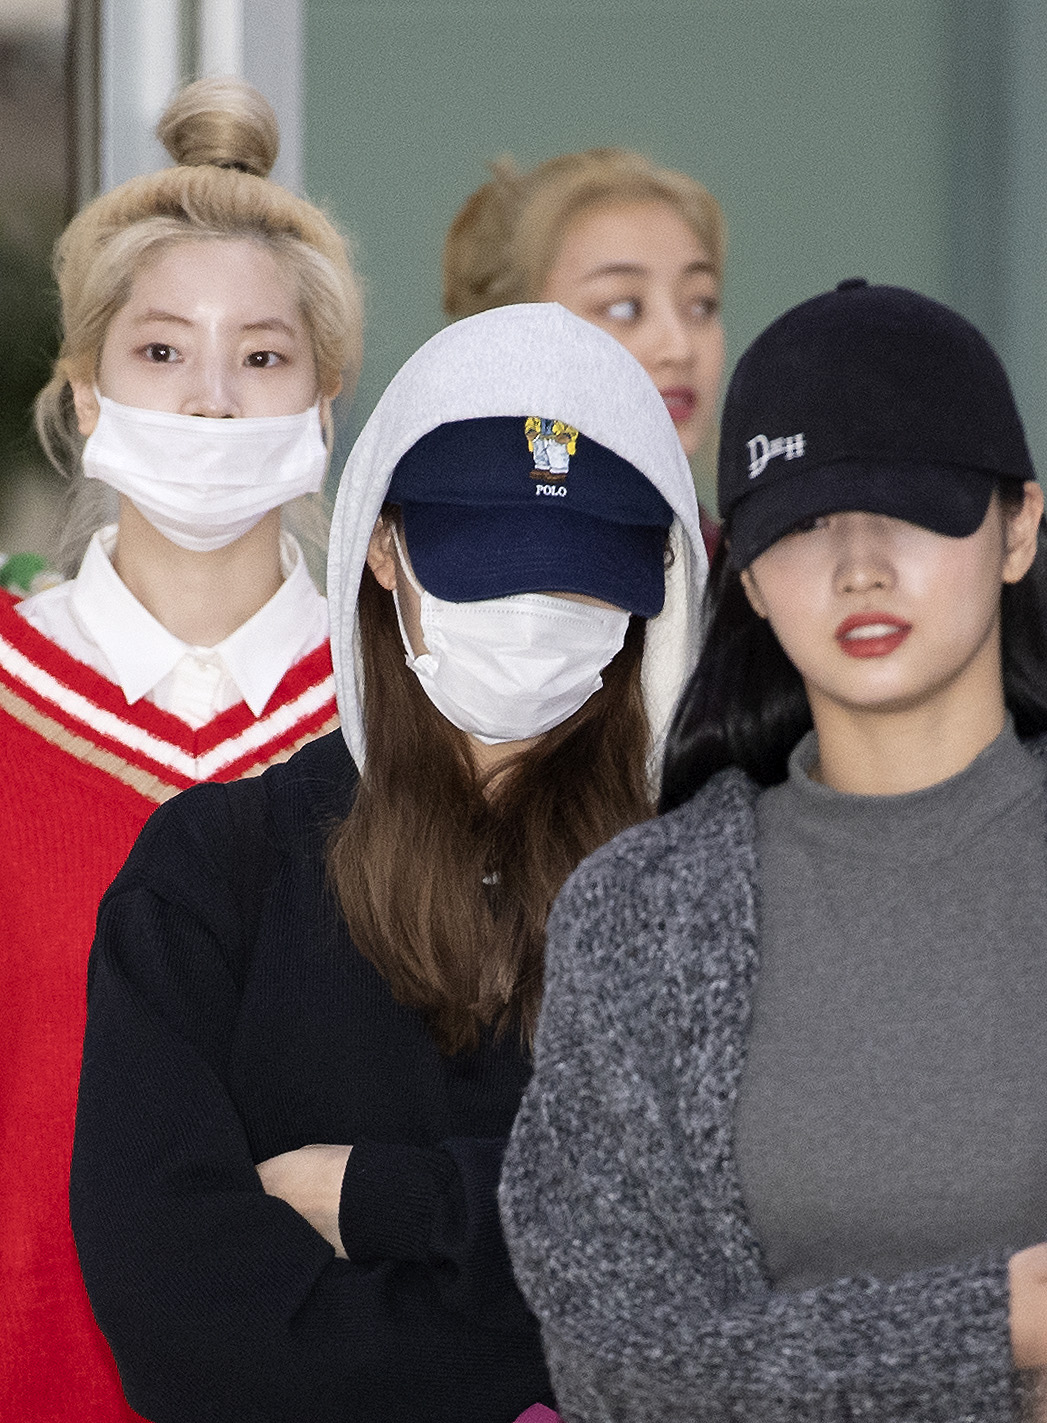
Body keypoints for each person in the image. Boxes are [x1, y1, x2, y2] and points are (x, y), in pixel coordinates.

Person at [69, 302, 708, 1423]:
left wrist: (388, 1198)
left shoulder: (701, 898)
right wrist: (553, 1278)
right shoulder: (211, 873)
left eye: (578, 575)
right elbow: (183, 1329)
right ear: (380, 546)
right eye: (489, 565)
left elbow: (718, 1263)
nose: (531, 612)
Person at [500, 280, 1047, 1421]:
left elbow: (694, 1368)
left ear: (1018, 528)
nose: (858, 564)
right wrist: (1005, 1325)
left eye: (909, 506)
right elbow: (620, 1369)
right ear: (745, 572)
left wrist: (774, 1363)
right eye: (800, 522)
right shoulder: (638, 916)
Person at [0, 77, 361, 1422]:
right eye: (160, 351)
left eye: (262, 357)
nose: (211, 401)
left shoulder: (412, 717)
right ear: (86, 393)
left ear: (323, 406)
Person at [443, 148, 726, 551]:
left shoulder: (746, 575)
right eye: (623, 308)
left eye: (700, 305)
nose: (679, 348)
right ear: (512, 339)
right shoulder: (448, 567)